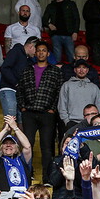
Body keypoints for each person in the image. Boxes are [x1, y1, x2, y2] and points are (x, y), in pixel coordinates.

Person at [17, 41, 63, 174]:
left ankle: (47, 177)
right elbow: (19, 90)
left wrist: (53, 108)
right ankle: (26, 173)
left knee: (47, 147)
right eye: (39, 50)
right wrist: (23, 107)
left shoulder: (55, 71)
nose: (41, 53)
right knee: (27, 145)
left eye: (44, 50)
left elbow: (59, 92)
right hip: (29, 113)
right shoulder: (27, 70)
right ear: (35, 53)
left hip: (47, 114)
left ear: (48, 53)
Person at [0, 116, 33, 199]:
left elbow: (27, 147)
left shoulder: (23, 161)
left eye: (11, 143)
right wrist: (5, 130)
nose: (8, 145)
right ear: (1, 147)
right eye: (5, 143)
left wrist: (15, 127)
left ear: (17, 148)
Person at [58, 60, 100, 134]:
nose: (81, 70)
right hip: (72, 123)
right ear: (75, 70)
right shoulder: (66, 85)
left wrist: (99, 122)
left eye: (84, 67)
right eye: (79, 67)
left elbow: (99, 107)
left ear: (87, 70)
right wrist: (67, 121)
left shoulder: (94, 87)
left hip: (90, 123)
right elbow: (62, 106)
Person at [0, 36, 38, 120]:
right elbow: (4, 68)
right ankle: (6, 134)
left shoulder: (30, 61)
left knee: (21, 119)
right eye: (36, 49)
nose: (36, 53)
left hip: (20, 93)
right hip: (9, 88)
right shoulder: (15, 51)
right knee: (10, 119)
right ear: (31, 46)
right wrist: (16, 83)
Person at [42, 0, 79, 64]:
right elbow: (44, 19)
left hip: (69, 34)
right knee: (57, 58)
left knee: (71, 57)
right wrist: (49, 24)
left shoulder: (71, 4)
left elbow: (76, 18)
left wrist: (75, 32)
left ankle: (71, 74)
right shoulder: (51, 6)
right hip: (56, 35)